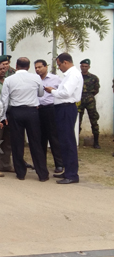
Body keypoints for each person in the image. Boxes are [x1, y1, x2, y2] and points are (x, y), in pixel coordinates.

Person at [0, 57, 49, 181]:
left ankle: (20, 173)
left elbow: (4, 100)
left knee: (17, 143)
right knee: (36, 142)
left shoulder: (9, 79)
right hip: (32, 112)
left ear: (16, 66)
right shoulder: (36, 78)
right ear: (29, 67)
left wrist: (2, 116)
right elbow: (41, 93)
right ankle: (42, 173)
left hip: (16, 112)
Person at [45, 53, 84, 184]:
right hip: (62, 108)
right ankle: (68, 171)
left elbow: (66, 93)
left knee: (68, 141)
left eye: (59, 64)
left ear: (65, 62)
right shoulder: (69, 75)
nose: (59, 67)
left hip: (66, 108)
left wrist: (52, 91)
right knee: (63, 140)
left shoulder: (73, 75)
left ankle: (72, 174)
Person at [34, 59, 64, 174]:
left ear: (46, 67)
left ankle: (59, 164)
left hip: (50, 109)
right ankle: (41, 164)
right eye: (36, 68)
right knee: (40, 138)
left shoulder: (56, 79)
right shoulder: (34, 79)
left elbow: (62, 92)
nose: (37, 69)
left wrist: (53, 91)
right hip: (37, 110)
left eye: (40, 67)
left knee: (53, 137)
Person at [78, 59, 101, 148]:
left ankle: (96, 142)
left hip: (90, 100)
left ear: (89, 67)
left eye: (86, 66)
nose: (84, 68)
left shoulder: (94, 78)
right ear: (80, 67)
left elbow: (96, 90)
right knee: (78, 120)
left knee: (93, 119)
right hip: (79, 100)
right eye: (83, 66)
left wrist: (89, 96)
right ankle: (76, 140)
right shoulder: (77, 76)